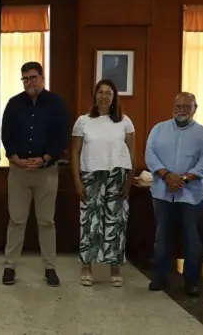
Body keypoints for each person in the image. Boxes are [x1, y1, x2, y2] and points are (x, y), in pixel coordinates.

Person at [1, 61, 69, 287]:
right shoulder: (13, 104)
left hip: (46, 171)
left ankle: (50, 268)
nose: (29, 82)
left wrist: (46, 157)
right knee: (16, 220)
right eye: (25, 79)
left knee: (46, 221)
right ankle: (10, 266)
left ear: (42, 77)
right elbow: (6, 134)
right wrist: (14, 156)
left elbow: (61, 136)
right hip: (19, 172)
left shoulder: (56, 103)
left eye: (33, 77)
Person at [144, 92, 203, 296]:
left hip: (191, 194)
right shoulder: (159, 129)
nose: (182, 110)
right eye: (178, 106)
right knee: (162, 237)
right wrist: (166, 175)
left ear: (195, 108)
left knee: (193, 239)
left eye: (187, 106)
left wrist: (184, 179)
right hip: (162, 191)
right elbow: (149, 154)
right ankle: (161, 277)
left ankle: (191, 281)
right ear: (172, 107)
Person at [70, 79, 136, 287]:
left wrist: (130, 180)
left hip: (117, 176)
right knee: (90, 222)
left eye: (109, 92)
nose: (104, 96)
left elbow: (132, 152)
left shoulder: (125, 121)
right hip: (91, 176)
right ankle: (87, 267)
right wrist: (77, 181)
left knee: (115, 223)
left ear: (114, 97)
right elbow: (75, 152)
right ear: (95, 95)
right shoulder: (83, 121)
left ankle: (115, 268)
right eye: (100, 92)